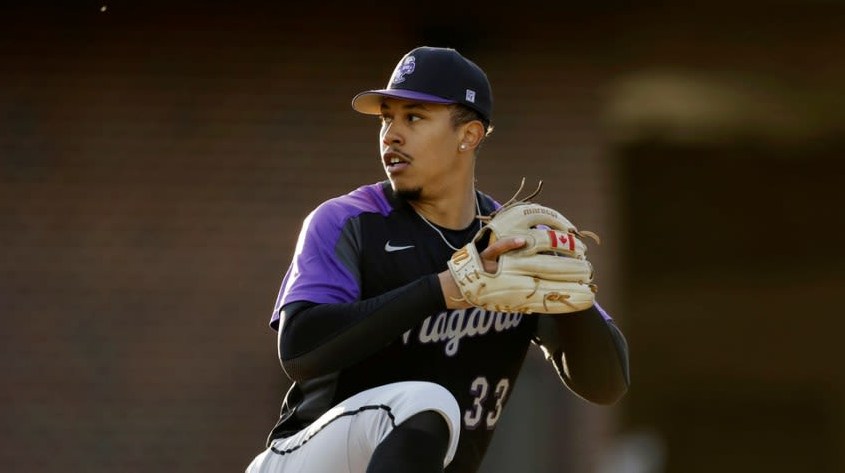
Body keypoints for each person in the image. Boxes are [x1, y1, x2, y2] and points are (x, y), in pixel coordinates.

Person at [245, 46, 630, 473]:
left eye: (413, 117)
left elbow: (607, 385)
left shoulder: (512, 245)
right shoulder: (349, 222)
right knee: (427, 401)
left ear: (468, 136)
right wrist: (442, 289)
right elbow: (300, 351)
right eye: (386, 117)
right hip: (308, 457)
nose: (391, 134)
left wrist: (574, 305)